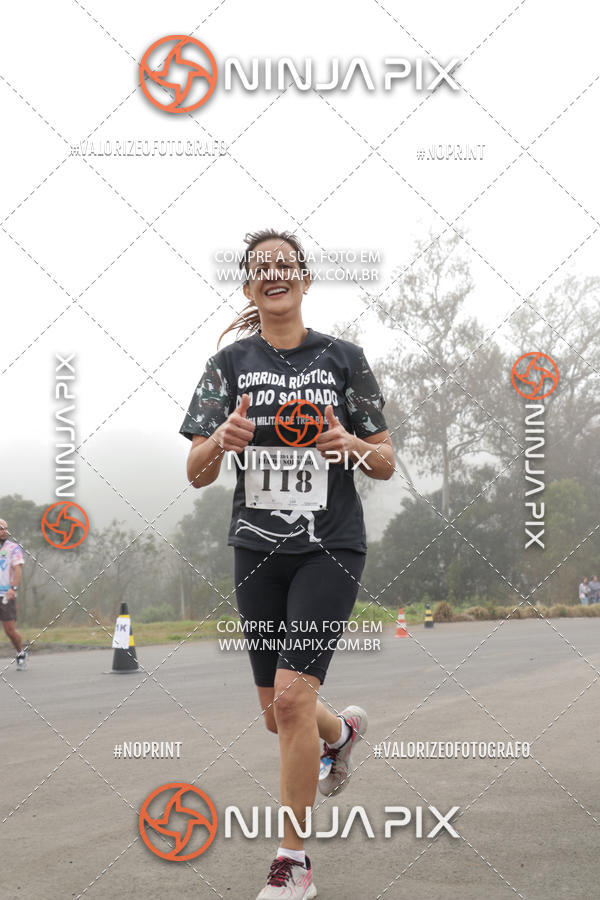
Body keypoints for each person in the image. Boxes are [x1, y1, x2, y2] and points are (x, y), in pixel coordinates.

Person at [180, 229, 395, 899]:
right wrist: (221, 438)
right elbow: (195, 472)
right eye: (260, 268)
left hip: (329, 543)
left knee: (296, 697)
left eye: (285, 264)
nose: (274, 273)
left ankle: (292, 864)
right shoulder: (227, 367)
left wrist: (348, 442)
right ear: (249, 288)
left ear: (304, 280)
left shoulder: (344, 359)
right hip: (256, 549)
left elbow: (385, 461)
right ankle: (343, 734)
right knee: (281, 714)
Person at [0, 518, 27, 669]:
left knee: (9, 631)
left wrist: (13, 588)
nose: (4, 531)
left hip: (6, 595)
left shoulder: (13, 548)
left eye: (6, 528)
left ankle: (20, 652)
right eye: (1, 528)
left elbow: (18, 569)